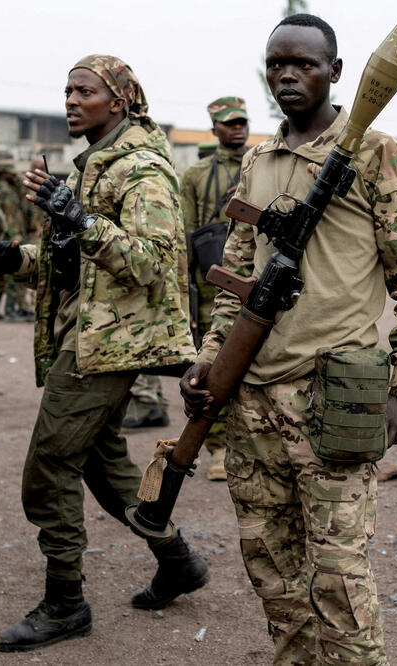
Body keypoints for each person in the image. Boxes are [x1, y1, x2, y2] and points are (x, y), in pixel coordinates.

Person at [182, 14, 397, 663]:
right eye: (276, 64)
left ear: (335, 71)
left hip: (332, 397)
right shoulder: (258, 160)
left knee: (338, 577)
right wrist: (210, 358)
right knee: (271, 567)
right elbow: (236, 278)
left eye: (303, 63)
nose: (288, 75)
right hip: (252, 401)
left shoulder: (381, 155)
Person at [0, 54, 208, 652]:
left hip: (107, 345)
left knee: (49, 465)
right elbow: (82, 265)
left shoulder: (141, 170)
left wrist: (75, 214)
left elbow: (151, 264)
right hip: (90, 337)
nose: (72, 101)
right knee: (105, 467)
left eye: (85, 91)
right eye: (67, 91)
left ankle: (65, 604)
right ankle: (177, 560)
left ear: (121, 101)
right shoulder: (95, 166)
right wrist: (17, 259)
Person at [163, 96, 251, 479]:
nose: (238, 129)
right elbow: (184, 233)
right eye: (230, 123)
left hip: (254, 278)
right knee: (211, 366)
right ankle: (217, 446)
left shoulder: (262, 165)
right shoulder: (197, 175)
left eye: (242, 122)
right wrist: (183, 290)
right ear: (215, 129)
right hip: (210, 282)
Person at [0, 156, 28, 322]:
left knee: (1, 277)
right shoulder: (7, 193)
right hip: (8, 240)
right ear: (4, 174)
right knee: (11, 276)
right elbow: (11, 219)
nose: (14, 176)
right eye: (11, 173)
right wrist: (15, 240)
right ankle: (10, 312)